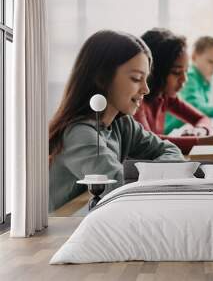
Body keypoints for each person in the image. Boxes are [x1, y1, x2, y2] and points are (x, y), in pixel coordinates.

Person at [49, 30, 183, 211]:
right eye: (136, 78)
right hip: (60, 233)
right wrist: (155, 173)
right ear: (102, 78)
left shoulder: (123, 125)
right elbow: (120, 188)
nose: (146, 89)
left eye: (146, 79)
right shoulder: (78, 134)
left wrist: (145, 173)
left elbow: (170, 150)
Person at [134, 29, 213, 154]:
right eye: (176, 72)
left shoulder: (165, 96)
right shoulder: (137, 102)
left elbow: (202, 118)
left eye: (186, 71)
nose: (184, 80)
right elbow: (149, 143)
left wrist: (200, 130)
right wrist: (204, 141)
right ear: (153, 71)